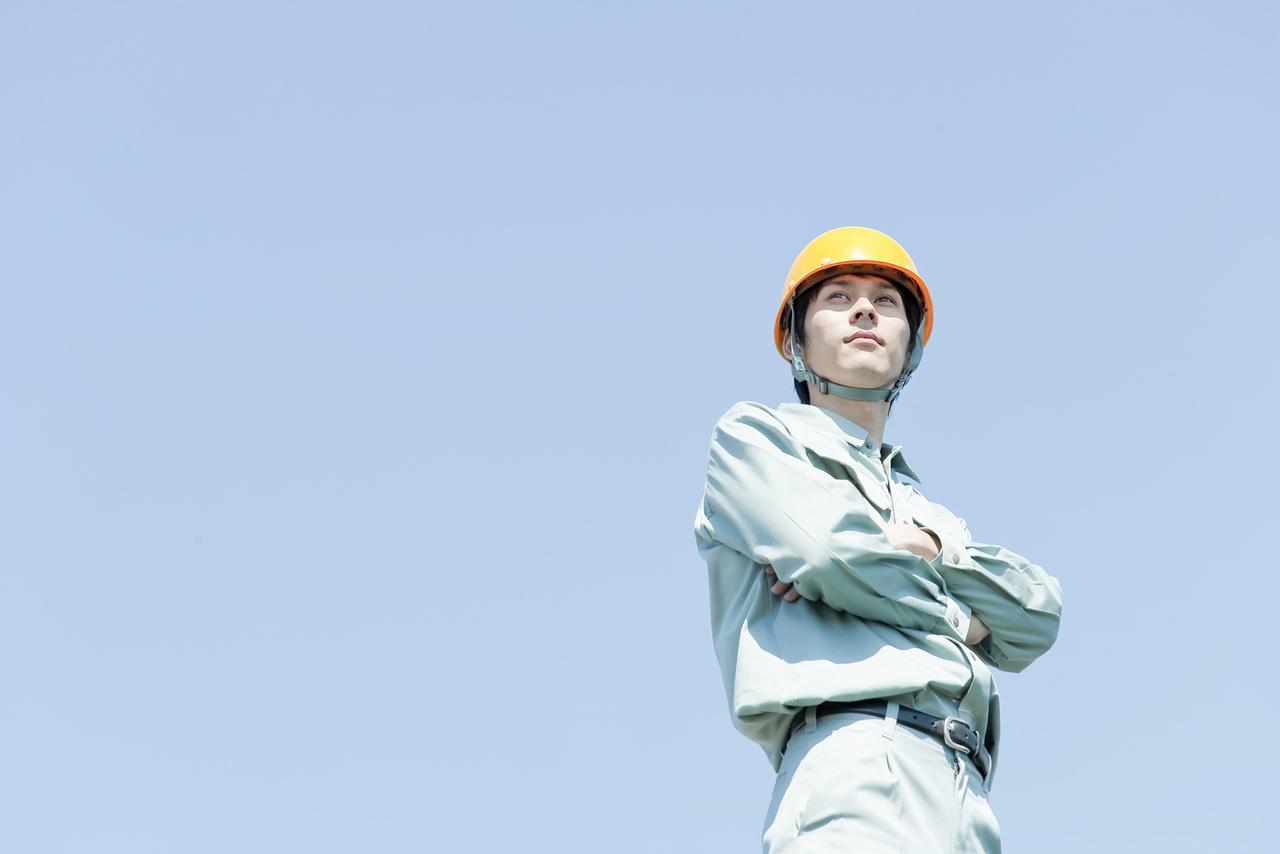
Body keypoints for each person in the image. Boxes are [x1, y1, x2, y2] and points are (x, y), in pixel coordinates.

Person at [694, 227, 1063, 853]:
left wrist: (928, 550)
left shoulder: (929, 516)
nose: (865, 309)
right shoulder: (756, 440)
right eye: (838, 296)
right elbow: (832, 555)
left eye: (886, 301)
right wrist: (966, 621)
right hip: (857, 763)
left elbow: (1037, 616)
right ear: (797, 341)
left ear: (910, 347)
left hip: (968, 793)